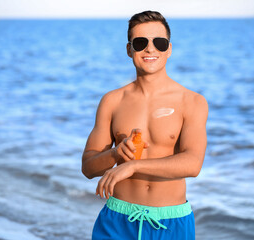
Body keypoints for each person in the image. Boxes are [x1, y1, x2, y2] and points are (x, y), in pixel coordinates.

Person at [82, 10, 208, 240]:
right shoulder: (112, 101)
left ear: (169, 49)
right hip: (117, 221)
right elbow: (89, 167)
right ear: (129, 49)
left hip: (171, 224)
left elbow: (193, 164)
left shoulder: (192, 102)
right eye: (140, 42)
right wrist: (116, 153)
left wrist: (133, 166)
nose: (150, 49)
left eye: (159, 42)